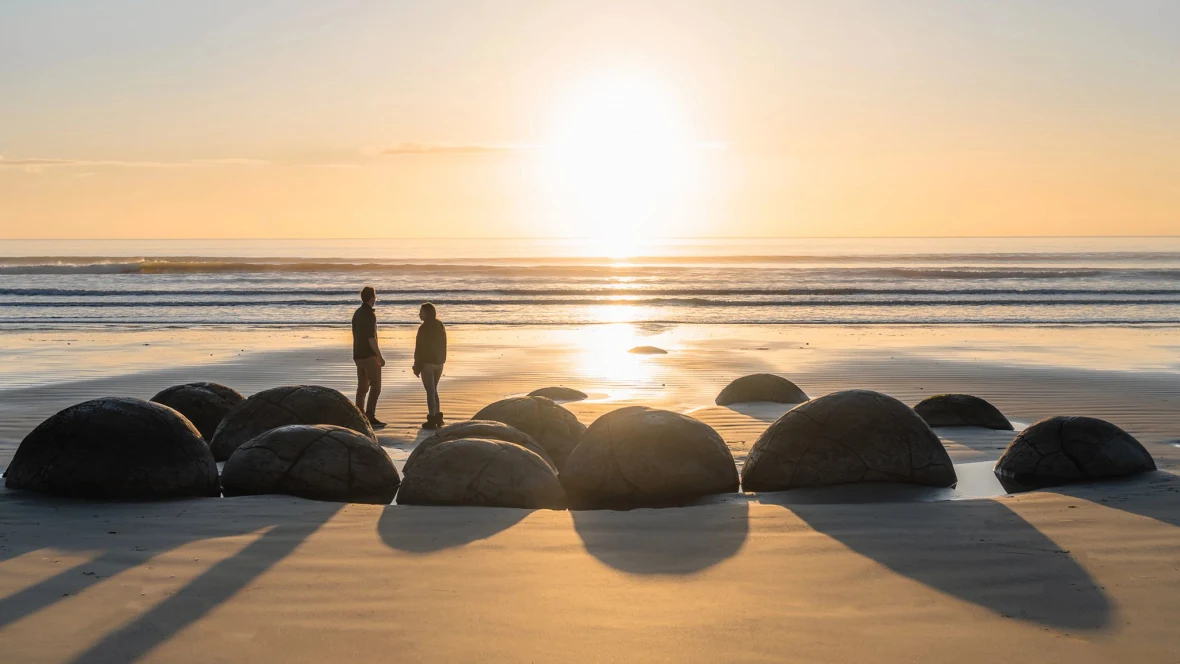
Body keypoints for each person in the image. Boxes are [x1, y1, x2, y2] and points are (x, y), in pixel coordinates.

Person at [352, 286, 386, 429]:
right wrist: (379, 355)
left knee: (362, 387)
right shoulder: (369, 315)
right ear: (372, 298)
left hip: (358, 355)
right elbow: (371, 338)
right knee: (376, 386)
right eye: (375, 297)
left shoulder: (357, 313)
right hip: (369, 355)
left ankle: (359, 415)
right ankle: (370, 416)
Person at [413, 302, 447, 429]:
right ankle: (438, 417)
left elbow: (419, 349)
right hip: (439, 363)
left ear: (427, 313)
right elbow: (444, 344)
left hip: (427, 364)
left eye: (421, 312)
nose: (419, 314)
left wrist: (417, 367)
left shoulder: (423, 328)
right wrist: (442, 360)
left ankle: (432, 418)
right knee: (434, 390)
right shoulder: (439, 325)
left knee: (430, 391)